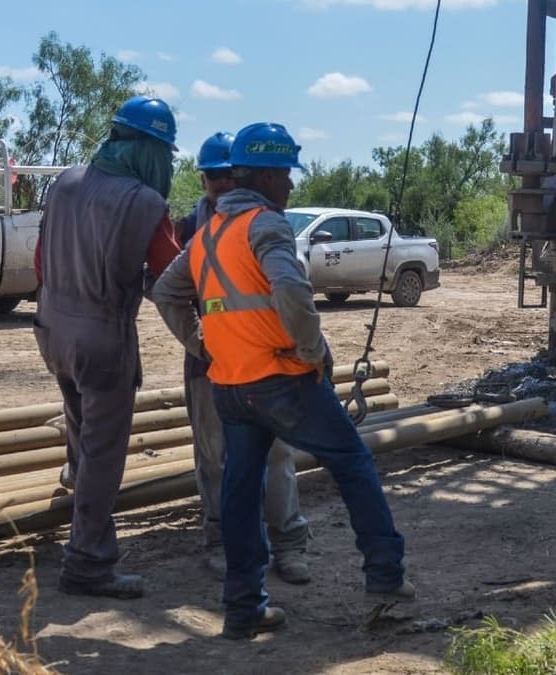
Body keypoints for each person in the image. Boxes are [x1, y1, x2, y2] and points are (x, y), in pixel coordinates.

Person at [151, 122, 413, 639]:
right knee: (353, 462)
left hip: (230, 385)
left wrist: (201, 344)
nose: (291, 186)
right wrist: (312, 350)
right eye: (287, 175)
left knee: (240, 489)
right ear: (267, 176)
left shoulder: (206, 236)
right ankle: (384, 573)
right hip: (283, 379)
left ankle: (244, 607)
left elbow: (165, 291)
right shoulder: (265, 225)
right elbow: (292, 291)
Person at [32, 95, 182, 600]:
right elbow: (174, 276)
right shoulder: (144, 203)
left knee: (81, 443)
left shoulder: (65, 183)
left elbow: (40, 265)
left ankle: (82, 531)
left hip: (53, 332)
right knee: (102, 456)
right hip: (103, 343)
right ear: (150, 150)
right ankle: (88, 564)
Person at [175, 131, 311, 584]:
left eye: (226, 176)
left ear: (240, 174)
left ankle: (288, 543)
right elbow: (165, 291)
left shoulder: (261, 225)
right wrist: (199, 343)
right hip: (210, 367)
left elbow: (289, 289)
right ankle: (221, 543)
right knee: (214, 460)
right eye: (212, 177)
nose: (220, 185)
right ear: (203, 180)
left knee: (276, 456)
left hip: (267, 362)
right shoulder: (187, 231)